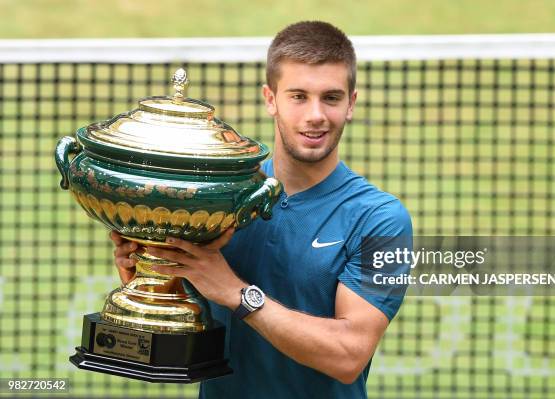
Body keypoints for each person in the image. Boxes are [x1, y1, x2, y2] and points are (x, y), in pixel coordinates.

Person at [110, 21, 412, 399]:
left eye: (331, 98)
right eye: (298, 96)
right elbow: (180, 330)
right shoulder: (219, 200)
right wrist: (148, 277)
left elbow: (348, 355)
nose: (315, 114)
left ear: (351, 103)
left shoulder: (381, 220)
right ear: (271, 99)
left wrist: (238, 294)